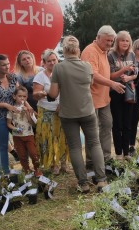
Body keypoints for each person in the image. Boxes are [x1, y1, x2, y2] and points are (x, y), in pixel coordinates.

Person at [48, 35, 107, 193]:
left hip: (68, 113)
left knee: (75, 147)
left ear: (64, 50)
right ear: (78, 50)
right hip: (87, 110)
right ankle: (101, 181)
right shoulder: (87, 66)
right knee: (95, 144)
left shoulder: (58, 68)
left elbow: (53, 94)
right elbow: (91, 84)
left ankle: (83, 183)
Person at [81, 25, 125, 168]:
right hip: (91, 100)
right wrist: (112, 84)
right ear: (98, 37)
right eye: (107, 41)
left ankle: (106, 158)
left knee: (107, 126)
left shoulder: (104, 51)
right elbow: (92, 74)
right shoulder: (90, 51)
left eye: (112, 41)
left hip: (104, 99)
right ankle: (90, 162)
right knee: (92, 132)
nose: (110, 44)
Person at [33, 49, 69, 175]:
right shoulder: (40, 76)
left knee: (63, 136)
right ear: (44, 62)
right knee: (50, 138)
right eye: (49, 61)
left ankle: (64, 162)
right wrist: (40, 93)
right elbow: (35, 94)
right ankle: (54, 164)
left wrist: (63, 104)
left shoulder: (63, 72)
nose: (52, 62)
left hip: (62, 110)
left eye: (54, 60)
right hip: (46, 111)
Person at [108, 31, 137, 160]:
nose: (125, 43)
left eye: (127, 40)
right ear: (117, 42)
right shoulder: (111, 55)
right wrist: (123, 70)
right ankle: (118, 154)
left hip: (129, 91)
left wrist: (129, 76)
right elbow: (110, 76)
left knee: (127, 123)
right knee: (117, 124)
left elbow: (136, 73)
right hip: (115, 92)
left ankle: (126, 153)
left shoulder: (132, 54)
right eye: (122, 40)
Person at [0, 54, 21, 173]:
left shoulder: (12, 77)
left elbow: (19, 93)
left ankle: (28, 168)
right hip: (0, 117)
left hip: (15, 116)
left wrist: (23, 104)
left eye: (8, 63)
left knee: (22, 139)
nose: (7, 67)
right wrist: (5, 105)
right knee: (3, 146)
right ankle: (5, 173)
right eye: (3, 65)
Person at [6, 86, 42, 176]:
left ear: (26, 98)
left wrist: (28, 113)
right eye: (19, 96)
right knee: (22, 156)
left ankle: (37, 169)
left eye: (24, 96)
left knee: (34, 154)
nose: (22, 98)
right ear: (14, 96)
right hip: (17, 136)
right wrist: (15, 129)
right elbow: (8, 124)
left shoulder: (29, 110)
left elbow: (33, 124)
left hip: (29, 135)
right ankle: (27, 171)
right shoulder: (12, 110)